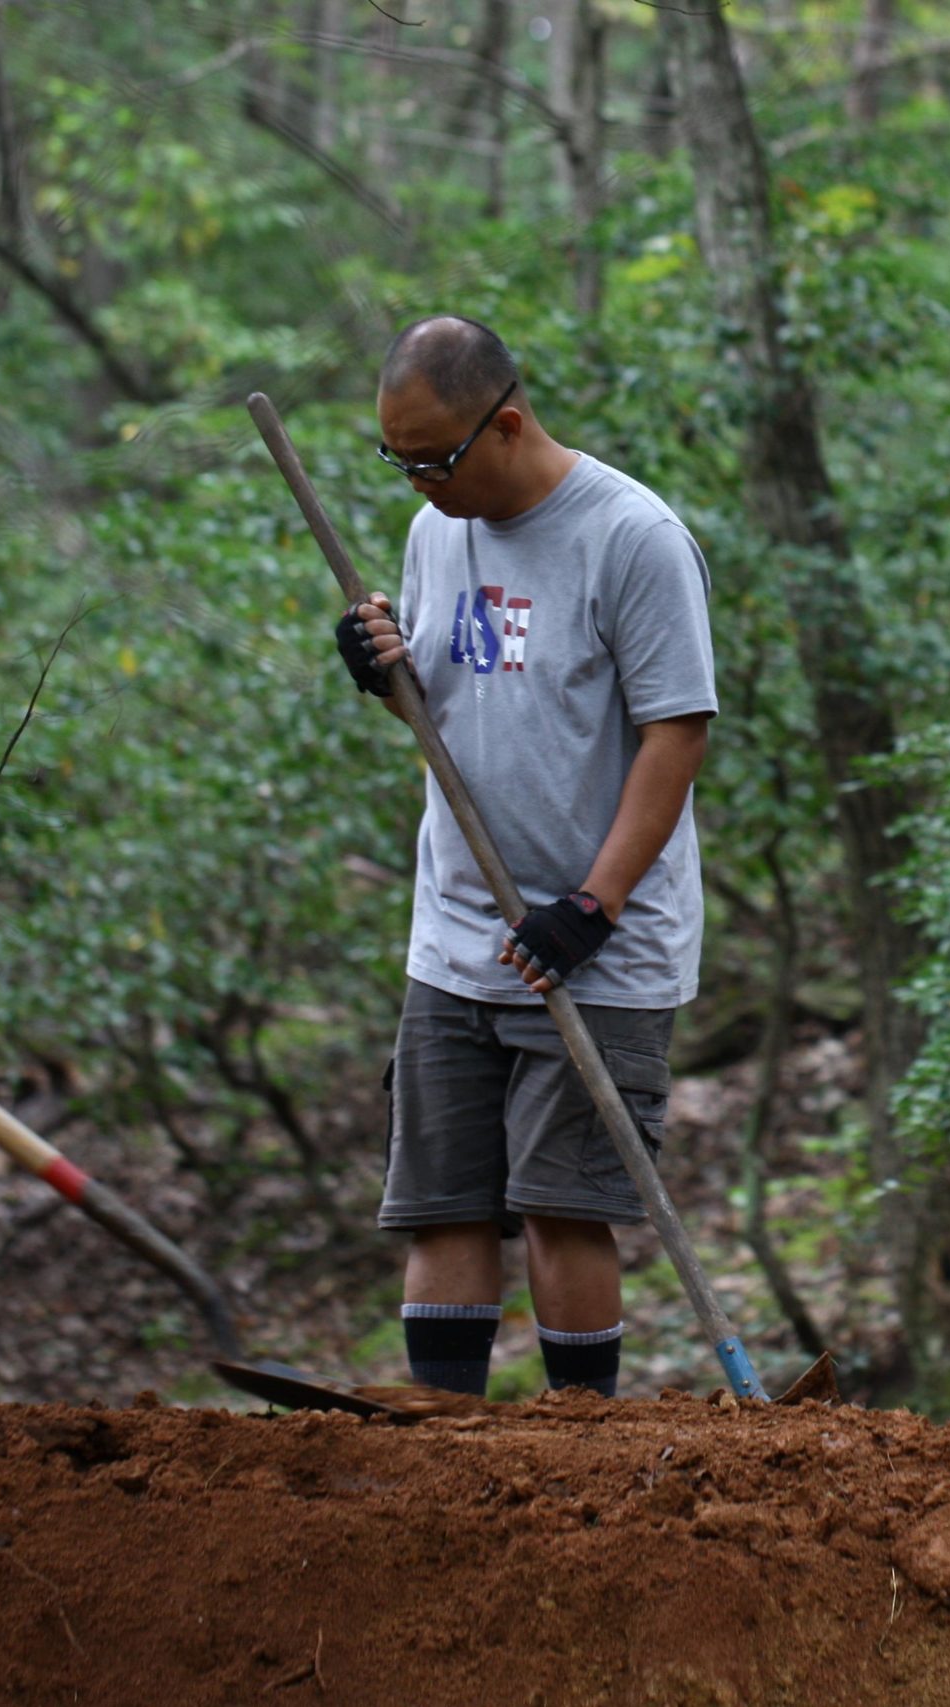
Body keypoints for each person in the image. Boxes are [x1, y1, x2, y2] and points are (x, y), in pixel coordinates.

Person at [333, 315, 717, 1399]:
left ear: (505, 424)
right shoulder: (433, 533)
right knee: (442, 1200)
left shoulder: (631, 537)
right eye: (395, 459)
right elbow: (454, 707)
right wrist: (382, 670)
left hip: (594, 938)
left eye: (432, 459)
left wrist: (591, 906)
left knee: (565, 1199)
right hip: (457, 926)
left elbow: (676, 732)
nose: (416, 484)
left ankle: (575, 1457)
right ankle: (443, 1463)